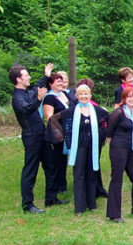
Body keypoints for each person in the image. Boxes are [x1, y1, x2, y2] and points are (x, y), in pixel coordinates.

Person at [48, 85, 108, 215]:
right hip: (79, 147)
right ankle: (80, 206)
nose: (84, 96)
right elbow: (53, 119)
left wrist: (103, 134)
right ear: (77, 96)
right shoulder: (71, 111)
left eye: (86, 94)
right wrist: (62, 134)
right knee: (79, 175)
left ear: (90, 95)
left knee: (92, 174)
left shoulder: (97, 111)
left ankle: (91, 203)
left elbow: (108, 119)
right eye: (81, 94)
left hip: (93, 147)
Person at [11, 63, 53, 214]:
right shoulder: (17, 98)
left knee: (49, 165)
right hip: (31, 138)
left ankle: (51, 198)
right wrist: (38, 99)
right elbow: (26, 109)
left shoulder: (27, 92)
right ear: (18, 79)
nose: (29, 77)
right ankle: (27, 204)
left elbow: (38, 86)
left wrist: (47, 75)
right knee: (30, 170)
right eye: (26, 75)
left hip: (41, 135)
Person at [106, 88, 133, 222]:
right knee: (117, 180)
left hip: (131, 150)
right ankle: (114, 214)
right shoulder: (118, 112)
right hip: (119, 149)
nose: (132, 99)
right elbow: (109, 134)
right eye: (129, 97)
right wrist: (114, 149)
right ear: (124, 98)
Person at [40, 72, 72, 207]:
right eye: (57, 81)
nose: (61, 83)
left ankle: (57, 191)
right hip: (55, 136)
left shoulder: (64, 95)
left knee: (61, 163)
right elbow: (50, 118)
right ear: (50, 84)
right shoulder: (49, 98)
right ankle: (50, 198)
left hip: (65, 134)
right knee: (52, 166)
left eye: (61, 80)